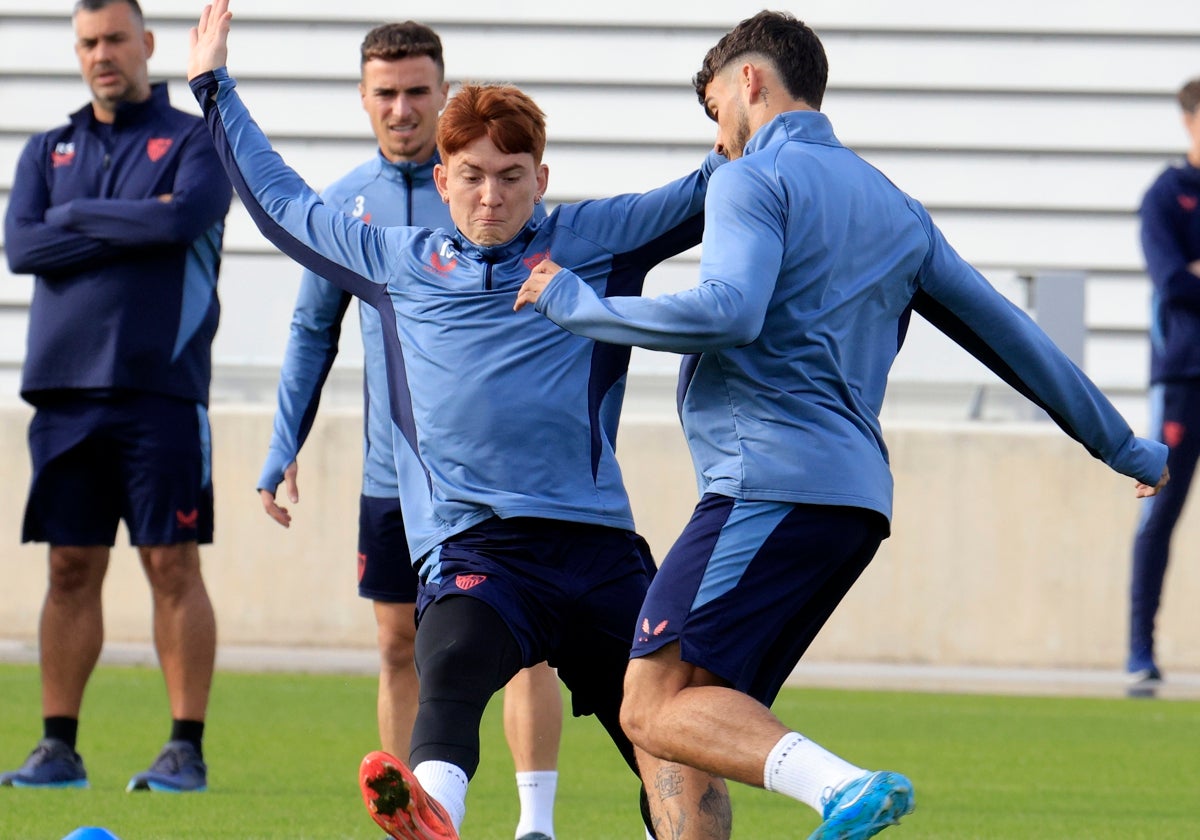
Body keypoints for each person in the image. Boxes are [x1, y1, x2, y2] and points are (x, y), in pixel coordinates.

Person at [515, 11, 1171, 839]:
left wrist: (581, 304)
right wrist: (1121, 443)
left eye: (717, 111)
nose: (718, 140)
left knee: (645, 703)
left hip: (766, 489)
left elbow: (730, 311)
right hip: (852, 507)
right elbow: (1015, 338)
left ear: (750, 83)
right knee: (693, 718)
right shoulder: (898, 209)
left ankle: (844, 788)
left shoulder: (751, 179)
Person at [188, 2, 729, 838]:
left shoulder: (597, 237)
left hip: (597, 548)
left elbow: (710, 184)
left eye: (511, 175)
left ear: (540, 179)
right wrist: (214, 85)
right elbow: (280, 205)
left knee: (667, 731)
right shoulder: (396, 260)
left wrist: (748, 102)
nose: (491, 194)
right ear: (443, 182)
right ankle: (433, 818)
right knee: (446, 675)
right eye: (471, 175)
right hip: (476, 545)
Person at [256, 20, 563, 836]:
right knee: (402, 645)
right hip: (392, 476)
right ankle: (417, 824)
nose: (401, 108)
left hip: (499, 475)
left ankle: (536, 822)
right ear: (363, 99)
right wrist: (285, 441)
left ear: (443, 93)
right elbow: (311, 331)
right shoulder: (341, 203)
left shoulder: (486, 185)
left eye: (417, 91)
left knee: (528, 640)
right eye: (385, 93)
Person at [0, 0, 231, 794]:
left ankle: (185, 748)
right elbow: (22, 245)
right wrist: (129, 220)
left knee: (171, 563)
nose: (103, 54)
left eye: (116, 40)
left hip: (161, 390)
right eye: (89, 42)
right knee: (69, 567)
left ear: (147, 44)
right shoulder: (47, 147)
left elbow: (182, 223)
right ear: (79, 51)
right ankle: (58, 747)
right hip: (64, 395)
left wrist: (75, 219)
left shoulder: (197, 137)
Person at [1126, 77, 1200, 696]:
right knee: (1162, 512)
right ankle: (1139, 654)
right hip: (1183, 378)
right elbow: (1173, 283)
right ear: (1190, 122)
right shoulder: (1165, 196)